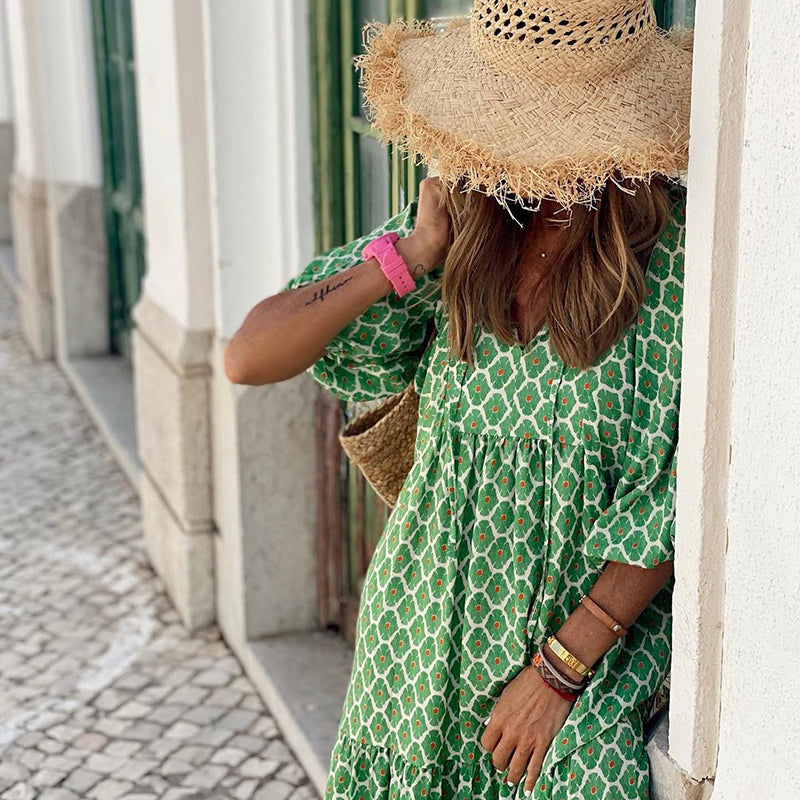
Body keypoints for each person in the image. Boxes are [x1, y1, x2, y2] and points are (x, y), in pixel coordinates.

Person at [224, 1, 693, 798]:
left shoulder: (669, 262)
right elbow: (248, 355)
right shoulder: (468, 228)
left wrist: (561, 671)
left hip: (573, 658)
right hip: (416, 637)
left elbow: (671, 495)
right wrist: (408, 255)